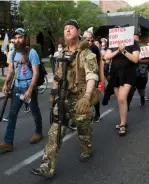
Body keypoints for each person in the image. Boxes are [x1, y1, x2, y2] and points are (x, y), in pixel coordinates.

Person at [30, 20, 99, 178]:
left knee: (83, 129)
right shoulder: (61, 54)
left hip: (80, 98)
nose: (67, 30)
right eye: (65, 28)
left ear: (78, 31)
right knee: (55, 131)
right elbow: (58, 75)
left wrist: (87, 97)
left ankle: (87, 148)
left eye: (71, 28)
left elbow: (91, 76)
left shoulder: (86, 53)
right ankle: (47, 166)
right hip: (63, 98)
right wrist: (53, 93)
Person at [0, 28, 44, 151]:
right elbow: (11, 69)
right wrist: (6, 83)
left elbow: (36, 73)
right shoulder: (13, 53)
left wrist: (30, 90)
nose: (17, 40)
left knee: (34, 111)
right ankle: (8, 142)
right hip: (17, 87)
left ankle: (38, 133)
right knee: (12, 114)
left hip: (28, 86)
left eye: (20, 37)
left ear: (25, 38)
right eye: (15, 38)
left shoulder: (31, 52)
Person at [104, 29, 140, 136]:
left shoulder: (134, 43)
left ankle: (123, 124)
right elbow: (106, 57)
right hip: (115, 73)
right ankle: (122, 122)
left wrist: (124, 51)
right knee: (120, 101)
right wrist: (117, 51)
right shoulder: (113, 43)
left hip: (128, 74)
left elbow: (135, 59)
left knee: (122, 98)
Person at [127, 33, 149, 109]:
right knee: (130, 90)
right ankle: (127, 105)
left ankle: (142, 97)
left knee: (141, 89)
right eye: (132, 38)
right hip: (130, 73)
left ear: (139, 40)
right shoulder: (127, 48)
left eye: (136, 38)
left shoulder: (144, 48)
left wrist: (138, 60)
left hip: (142, 73)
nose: (134, 40)